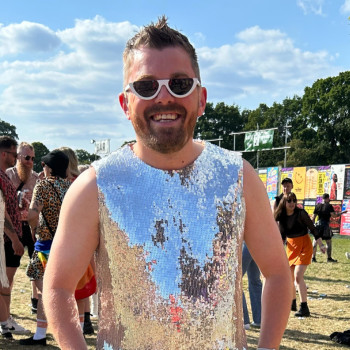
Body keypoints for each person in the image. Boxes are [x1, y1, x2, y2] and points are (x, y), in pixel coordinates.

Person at [43, 16, 292, 350]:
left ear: (201, 99)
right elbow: (58, 287)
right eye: (146, 86)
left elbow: (277, 272)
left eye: (179, 84)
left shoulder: (238, 176)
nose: (164, 97)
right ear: (125, 103)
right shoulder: (94, 186)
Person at [19, 150, 71, 346]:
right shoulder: (69, 186)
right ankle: (62, 332)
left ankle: (42, 334)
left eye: (44, 165)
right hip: (66, 246)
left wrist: (30, 222)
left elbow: (33, 215)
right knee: (62, 291)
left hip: (46, 247)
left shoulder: (42, 186)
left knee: (45, 292)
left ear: (49, 168)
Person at [59, 146, 96, 335]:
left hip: (75, 237)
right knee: (86, 278)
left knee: (73, 282)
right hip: (88, 235)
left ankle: (78, 324)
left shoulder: (69, 183)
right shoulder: (80, 181)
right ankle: (86, 320)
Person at [274, 192, 326, 317]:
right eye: (289, 201)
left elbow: (313, 229)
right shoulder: (281, 216)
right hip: (291, 247)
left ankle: (304, 307)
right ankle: (292, 303)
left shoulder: (301, 213)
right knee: (290, 277)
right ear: (284, 203)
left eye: (294, 200)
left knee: (298, 276)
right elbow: (281, 236)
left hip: (304, 245)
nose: (292, 203)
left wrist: (321, 244)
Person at [6, 142, 39, 315]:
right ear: (18, 157)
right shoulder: (8, 175)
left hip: (31, 228)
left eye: (32, 158)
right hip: (13, 227)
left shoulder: (36, 178)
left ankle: (35, 301)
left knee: (37, 266)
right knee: (10, 269)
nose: (30, 162)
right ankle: (6, 308)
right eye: (26, 158)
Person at [0, 136, 25, 340]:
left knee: (7, 281)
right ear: (4, 153)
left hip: (8, 237)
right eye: (15, 154)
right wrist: (15, 238)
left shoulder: (4, 175)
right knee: (4, 283)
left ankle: (6, 321)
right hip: (6, 239)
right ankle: (5, 323)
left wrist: (18, 209)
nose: (17, 158)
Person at [312, 193, 347, 263]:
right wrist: (342, 212)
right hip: (325, 225)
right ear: (327, 198)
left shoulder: (317, 205)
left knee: (315, 241)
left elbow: (313, 218)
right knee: (328, 242)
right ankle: (329, 258)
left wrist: (312, 227)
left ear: (322, 198)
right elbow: (334, 216)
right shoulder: (329, 206)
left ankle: (313, 258)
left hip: (318, 225)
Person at [242, 242, 262, 330]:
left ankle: (244, 321)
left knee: (235, 282)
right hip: (256, 242)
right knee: (255, 280)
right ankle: (260, 319)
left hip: (245, 242)